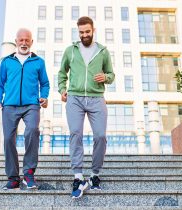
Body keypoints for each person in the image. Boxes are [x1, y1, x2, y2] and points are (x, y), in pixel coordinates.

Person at [58, 16, 115, 198]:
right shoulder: (70, 51)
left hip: (96, 98)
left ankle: (95, 174)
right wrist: (62, 89)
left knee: (100, 135)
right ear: (78, 32)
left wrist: (105, 78)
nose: (84, 35)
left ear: (93, 30)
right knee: (76, 133)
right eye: (81, 32)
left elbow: (112, 74)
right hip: (74, 98)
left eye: (87, 32)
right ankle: (77, 176)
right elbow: (62, 73)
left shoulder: (103, 52)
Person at [0, 28, 50, 190]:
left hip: (31, 105)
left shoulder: (38, 61)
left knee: (32, 131)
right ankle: (13, 177)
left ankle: (29, 174)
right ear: (16, 41)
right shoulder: (6, 61)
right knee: (8, 139)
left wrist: (44, 96)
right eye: (21, 40)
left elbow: (45, 83)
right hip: (9, 105)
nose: (24, 43)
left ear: (31, 42)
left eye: (27, 40)